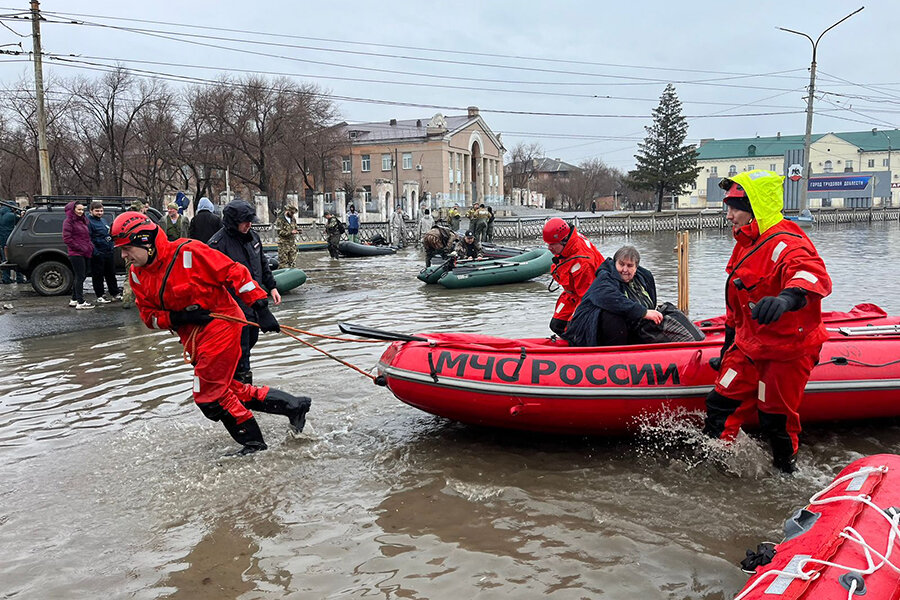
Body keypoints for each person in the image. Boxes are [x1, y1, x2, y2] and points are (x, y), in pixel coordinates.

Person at [111, 211, 311, 455]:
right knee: (228, 389)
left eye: (127, 248)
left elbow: (235, 272)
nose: (123, 255)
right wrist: (178, 317)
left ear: (146, 241)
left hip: (223, 325)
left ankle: (254, 445)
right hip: (194, 336)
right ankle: (293, 405)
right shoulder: (137, 275)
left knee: (209, 397)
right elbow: (148, 317)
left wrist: (261, 306)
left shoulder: (189, 252)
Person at [702, 170, 832, 474]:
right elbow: (736, 305)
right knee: (719, 403)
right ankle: (716, 468)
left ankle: (786, 473)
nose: (729, 215)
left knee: (776, 418)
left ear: (754, 208)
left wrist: (787, 299)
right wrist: (726, 348)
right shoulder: (745, 242)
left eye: (735, 208)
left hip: (786, 349)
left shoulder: (787, 242)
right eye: (728, 207)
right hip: (748, 345)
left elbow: (810, 274)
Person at [208, 200, 281, 384]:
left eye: (251, 221)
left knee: (250, 342)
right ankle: (242, 387)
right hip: (233, 311)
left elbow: (262, 263)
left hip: (255, 305)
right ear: (233, 222)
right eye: (245, 221)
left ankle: (237, 382)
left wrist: (272, 287)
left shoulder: (253, 237)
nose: (249, 224)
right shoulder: (217, 245)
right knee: (241, 352)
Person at [561, 246, 662, 347]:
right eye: (621, 264)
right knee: (612, 315)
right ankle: (615, 354)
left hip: (632, 328)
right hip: (591, 330)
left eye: (630, 266)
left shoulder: (645, 277)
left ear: (636, 267)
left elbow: (652, 302)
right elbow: (610, 299)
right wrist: (643, 312)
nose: (625, 270)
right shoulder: (604, 278)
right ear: (615, 263)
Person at [543, 217, 604, 336]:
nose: (549, 248)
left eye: (552, 245)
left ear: (564, 240)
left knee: (573, 328)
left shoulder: (582, 263)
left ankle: (577, 344)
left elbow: (587, 296)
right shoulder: (570, 243)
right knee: (556, 324)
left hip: (587, 295)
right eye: (548, 244)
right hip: (573, 293)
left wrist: (576, 321)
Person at [87, 201, 121, 303]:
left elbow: (108, 233)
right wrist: (96, 252)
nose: (100, 213)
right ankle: (100, 295)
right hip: (98, 253)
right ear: (91, 211)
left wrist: (111, 243)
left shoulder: (103, 221)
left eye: (101, 211)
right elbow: (89, 239)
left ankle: (115, 294)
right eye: (97, 211)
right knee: (98, 275)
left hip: (108, 252)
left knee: (111, 274)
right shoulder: (89, 222)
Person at [62, 201, 95, 309]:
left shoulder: (82, 221)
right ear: (73, 210)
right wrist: (80, 247)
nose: (81, 212)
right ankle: (80, 302)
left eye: (82, 209)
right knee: (80, 276)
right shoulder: (68, 222)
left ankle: (74, 299)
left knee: (81, 275)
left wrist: (89, 246)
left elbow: (86, 236)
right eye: (79, 209)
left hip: (85, 252)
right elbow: (67, 239)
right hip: (76, 253)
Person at [0, 204, 26, 284]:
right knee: (17, 258)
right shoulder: (11, 216)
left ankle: (6, 278)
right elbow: (22, 221)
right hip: (11, 240)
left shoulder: (1, 215)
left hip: (2, 240)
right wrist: (20, 213)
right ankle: (19, 278)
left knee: (5, 259)